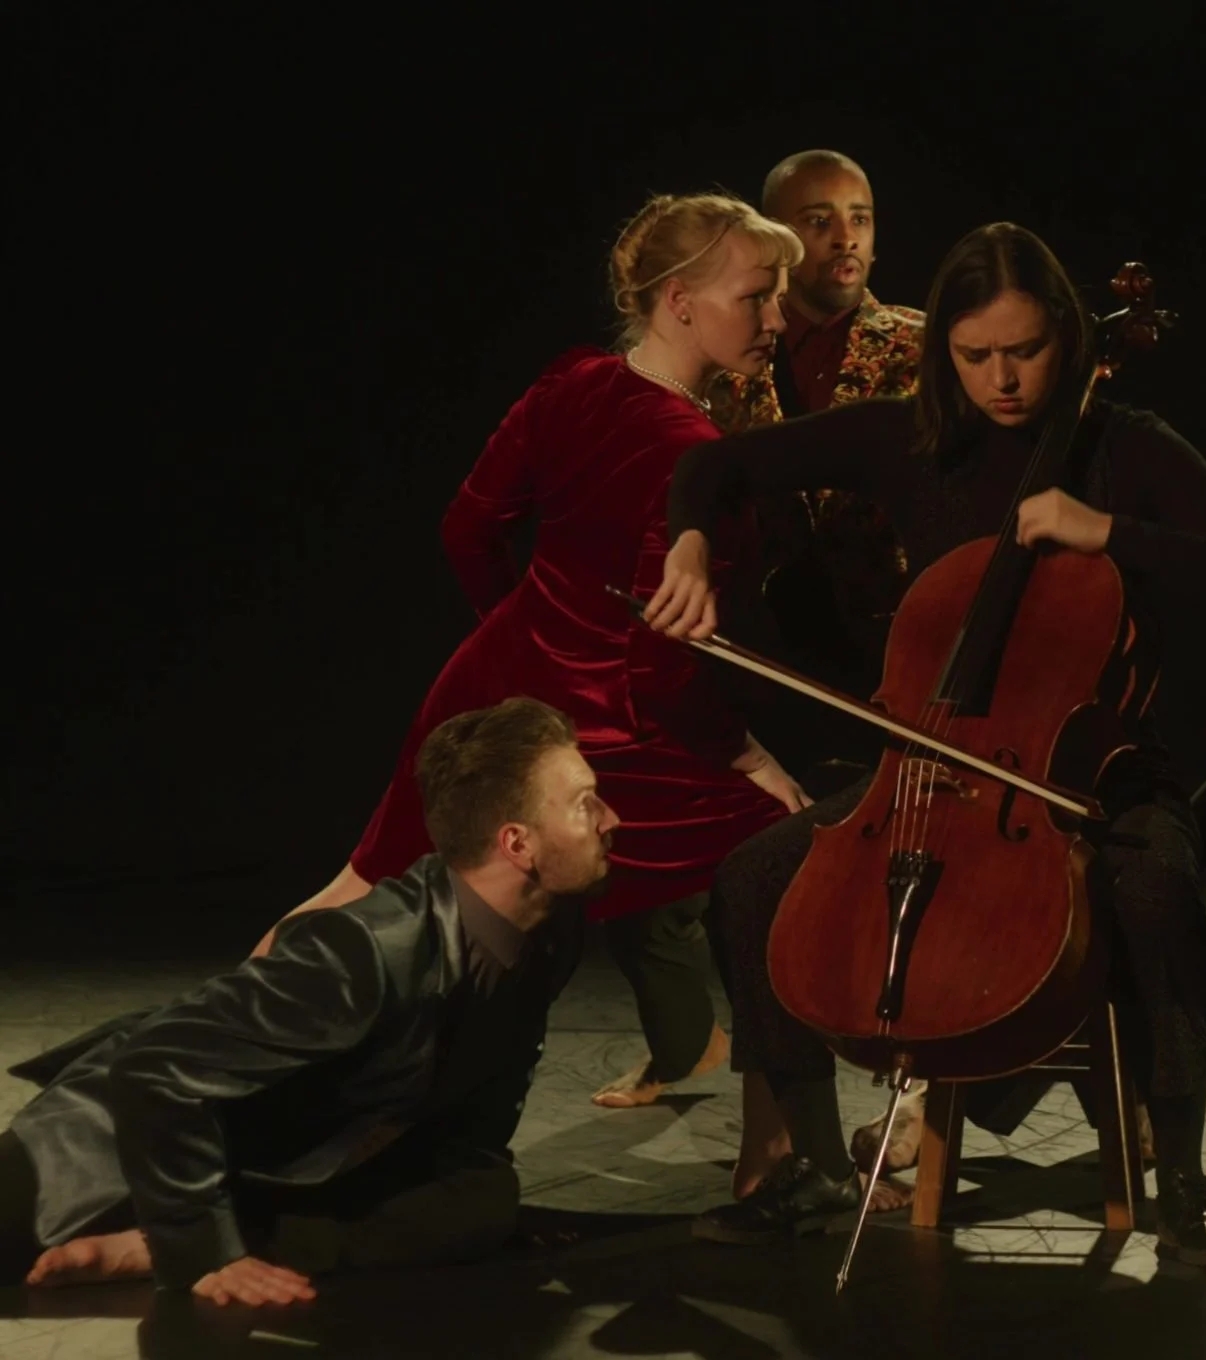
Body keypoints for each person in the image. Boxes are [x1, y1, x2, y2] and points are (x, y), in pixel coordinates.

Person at [644, 222, 1206, 1266]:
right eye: (975, 355)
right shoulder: (911, 438)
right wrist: (688, 541)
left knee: (1159, 892)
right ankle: (807, 1157)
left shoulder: (1128, 447)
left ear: (1069, 340)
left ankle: (1178, 1184)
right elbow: (715, 470)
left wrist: (1108, 532)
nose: (1001, 379)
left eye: (1024, 351)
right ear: (943, 347)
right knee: (754, 877)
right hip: (931, 765)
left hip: (1096, 770)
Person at [259, 194, 814, 1114]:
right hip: (616, 728)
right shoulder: (691, 451)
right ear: (678, 301)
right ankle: (822, 1128)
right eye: (757, 295)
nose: (778, 318)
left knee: (357, 886)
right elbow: (664, 666)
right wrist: (747, 755)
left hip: (491, 688)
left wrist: (518, 636)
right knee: (790, 850)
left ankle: (187, 1073)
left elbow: (467, 528)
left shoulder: (575, 383)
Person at [2, 698, 606, 1306]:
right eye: (587, 804)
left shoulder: (552, 929)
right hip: (115, 1151)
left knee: (480, 1204)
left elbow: (489, 1078)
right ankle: (167, 1237)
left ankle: (160, 1244)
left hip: (272, 1164)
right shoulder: (366, 952)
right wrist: (199, 1246)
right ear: (517, 843)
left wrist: (476, 1192)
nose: (612, 820)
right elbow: (152, 1069)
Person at [708, 148, 926, 778]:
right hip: (764, 670)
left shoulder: (928, 346)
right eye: (818, 220)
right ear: (775, 240)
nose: (844, 237)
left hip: (895, 665)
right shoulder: (732, 358)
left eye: (860, 219)